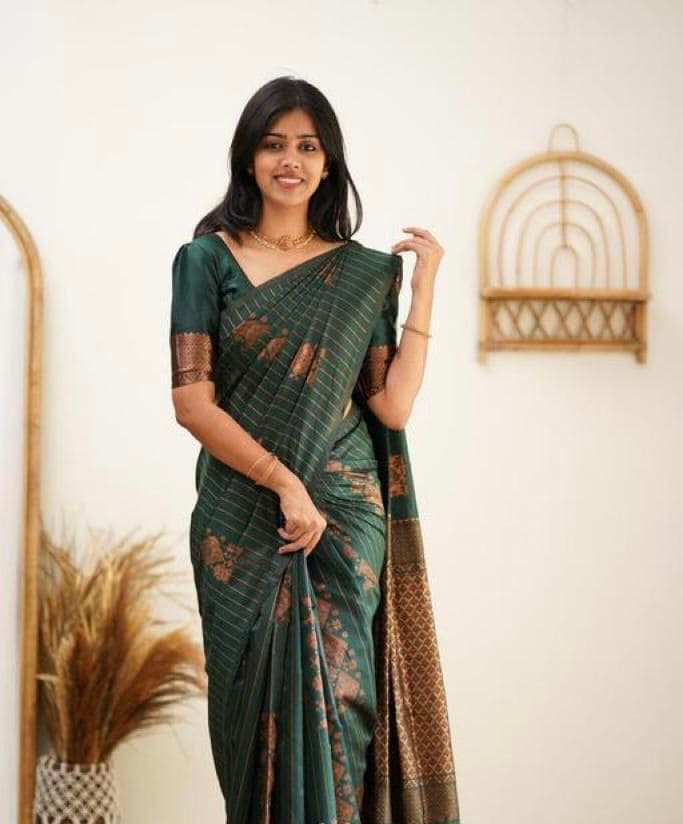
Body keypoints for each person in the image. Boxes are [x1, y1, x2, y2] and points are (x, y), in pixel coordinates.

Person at [169, 75, 461, 824]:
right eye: (273, 145)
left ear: (328, 163)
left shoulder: (362, 275)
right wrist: (283, 484)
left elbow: (389, 405)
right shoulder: (206, 261)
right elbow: (192, 403)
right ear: (248, 158)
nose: (289, 161)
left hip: (342, 520)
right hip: (244, 521)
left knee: (342, 715)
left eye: (306, 146)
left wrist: (424, 289)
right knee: (248, 727)